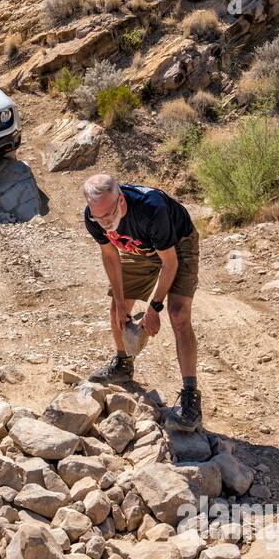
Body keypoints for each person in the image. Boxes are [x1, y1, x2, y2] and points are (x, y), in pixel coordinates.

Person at [82, 174, 203, 431]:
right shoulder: (93, 216)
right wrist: (120, 300)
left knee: (178, 314)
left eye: (109, 216)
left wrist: (154, 307)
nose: (104, 223)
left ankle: (191, 399)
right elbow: (110, 255)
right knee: (118, 307)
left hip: (177, 244)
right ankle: (123, 364)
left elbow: (170, 263)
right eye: (98, 218)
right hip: (140, 249)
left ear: (121, 201)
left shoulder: (151, 208)